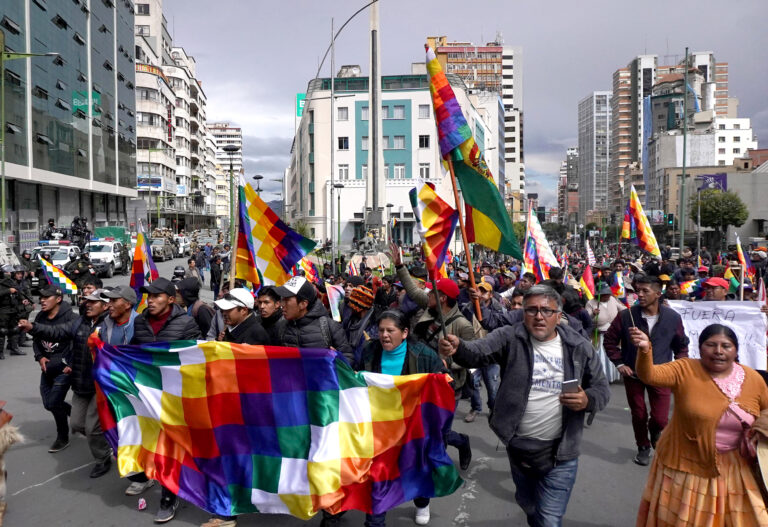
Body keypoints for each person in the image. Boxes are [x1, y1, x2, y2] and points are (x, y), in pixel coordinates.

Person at [438, 285, 610, 527]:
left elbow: (602, 389)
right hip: (519, 447)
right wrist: (459, 348)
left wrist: (587, 400)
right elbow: (478, 352)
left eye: (546, 311)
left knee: (549, 520)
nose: (539, 316)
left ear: (558, 316)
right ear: (523, 314)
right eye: (531, 310)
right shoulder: (510, 337)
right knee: (529, 505)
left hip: (562, 453)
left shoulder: (579, 347)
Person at [634, 324, 768, 526]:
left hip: (736, 467)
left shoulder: (753, 378)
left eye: (726, 346)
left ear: (736, 350)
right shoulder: (685, 369)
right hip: (687, 466)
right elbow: (650, 375)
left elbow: (767, 409)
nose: (718, 351)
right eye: (711, 345)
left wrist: (761, 428)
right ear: (700, 348)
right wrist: (645, 350)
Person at [357, 310, 448, 526]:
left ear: (405, 333)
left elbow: (446, 385)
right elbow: (357, 379)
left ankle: (422, 501)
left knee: (416, 469)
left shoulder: (424, 354)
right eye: (381, 330)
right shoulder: (370, 351)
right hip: (379, 428)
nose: (384, 335)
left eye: (390, 330)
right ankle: (375, 521)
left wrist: (442, 380)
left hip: (413, 427)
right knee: (378, 479)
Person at [130, 277, 201, 523]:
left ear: (170, 299)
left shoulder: (186, 323)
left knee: (172, 445)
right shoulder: (140, 322)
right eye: (148, 296)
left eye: (156, 296)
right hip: (148, 395)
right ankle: (162, 485)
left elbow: (196, 357)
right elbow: (133, 352)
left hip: (176, 397)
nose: (150, 301)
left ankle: (169, 497)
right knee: (156, 444)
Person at [19, 289, 112, 478]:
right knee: (77, 424)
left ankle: (103, 458)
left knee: (92, 429)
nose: (88, 304)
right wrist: (32, 327)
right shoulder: (80, 321)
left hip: (101, 385)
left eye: (93, 302)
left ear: (105, 306)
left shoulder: (111, 325)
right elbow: (58, 332)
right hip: (80, 382)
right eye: (87, 301)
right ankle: (106, 437)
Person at [604, 274, 689, 466]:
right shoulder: (626, 316)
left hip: (662, 374)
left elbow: (681, 345)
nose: (640, 295)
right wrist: (619, 363)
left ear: (658, 294)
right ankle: (642, 446)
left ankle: (655, 431)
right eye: (638, 291)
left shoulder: (672, 318)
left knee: (660, 418)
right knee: (638, 413)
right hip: (633, 374)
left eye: (645, 291)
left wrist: (680, 368)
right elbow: (609, 341)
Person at [31, 285, 78, 452]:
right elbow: (36, 340)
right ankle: (76, 414)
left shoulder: (71, 318)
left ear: (58, 299)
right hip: (47, 368)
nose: (42, 301)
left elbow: (79, 344)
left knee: (54, 402)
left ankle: (62, 437)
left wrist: (71, 364)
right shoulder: (40, 317)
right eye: (41, 297)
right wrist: (39, 356)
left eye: (46, 297)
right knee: (48, 404)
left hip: (64, 369)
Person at [273, 276, 353, 360]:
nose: (282, 305)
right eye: (282, 299)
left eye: (286, 300)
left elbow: (348, 358)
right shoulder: (280, 327)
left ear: (303, 304)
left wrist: (338, 360)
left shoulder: (330, 327)